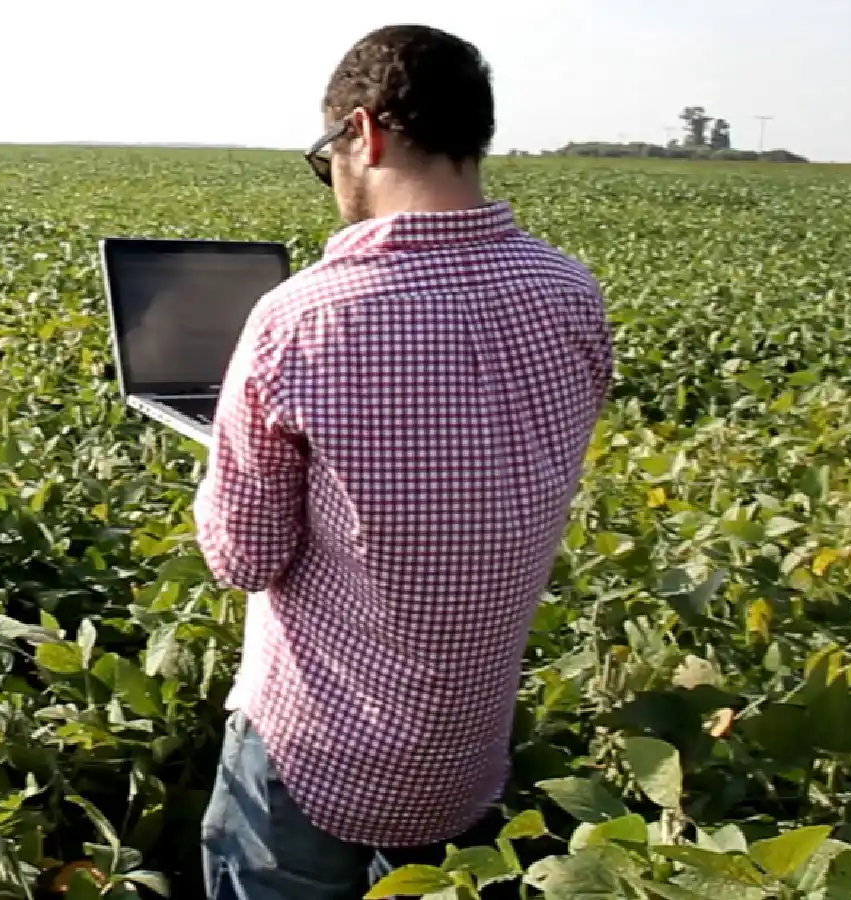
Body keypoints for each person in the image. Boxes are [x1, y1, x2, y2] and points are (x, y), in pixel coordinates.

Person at [192, 22, 614, 900]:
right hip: (467, 743)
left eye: (327, 156)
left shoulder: (300, 319)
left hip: (313, 744)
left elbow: (244, 558)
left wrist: (226, 464)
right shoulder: (571, 294)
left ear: (364, 132)